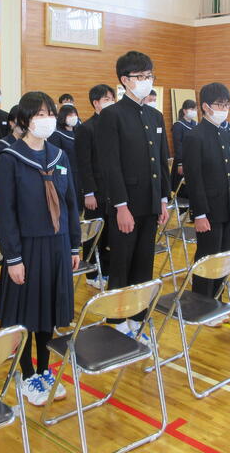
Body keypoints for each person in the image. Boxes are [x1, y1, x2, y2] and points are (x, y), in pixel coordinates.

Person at [0, 91, 81, 407]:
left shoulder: (59, 156)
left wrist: (74, 245)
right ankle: (26, 373)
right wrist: (13, 258)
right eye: (40, 114)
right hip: (26, 248)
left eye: (50, 113)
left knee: (48, 313)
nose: (47, 119)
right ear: (25, 120)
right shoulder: (10, 158)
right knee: (24, 315)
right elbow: (6, 213)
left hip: (57, 244)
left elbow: (70, 203)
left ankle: (44, 369)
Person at [97, 51, 170, 338]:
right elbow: (111, 165)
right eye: (141, 76)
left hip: (151, 203)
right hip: (125, 205)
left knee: (144, 264)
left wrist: (163, 200)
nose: (146, 81)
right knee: (122, 264)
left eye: (149, 75)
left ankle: (138, 316)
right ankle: (117, 320)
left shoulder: (154, 115)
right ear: (125, 80)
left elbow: (160, 162)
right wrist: (121, 206)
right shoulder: (112, 115)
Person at [183, 83, 230, 316]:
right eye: (220, 105)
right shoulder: (195, 136)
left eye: (227, 104)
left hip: (227, 207)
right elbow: (194, 179)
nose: (224, 109)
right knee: (207, 258)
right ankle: (201, 305)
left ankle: (217, 300)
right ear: (206, 107)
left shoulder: (227, 133)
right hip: (208, 210)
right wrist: (199, 214)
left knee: (223, 257)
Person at [75, 85, 115, 290]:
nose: (111, 102)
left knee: (109, 233)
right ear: (96, 103)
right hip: (96, 191)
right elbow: (84, 164)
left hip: (113, 190)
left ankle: (106, 270)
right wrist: (88, 193)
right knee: (94, 234)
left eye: (112, 98)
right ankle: (92, 273)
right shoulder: (86, 128)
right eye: (106, 99)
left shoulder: (115, 124)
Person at [49, 104, 79, 202]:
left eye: (75, 115)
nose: (73, 117)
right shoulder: (56, 135)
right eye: (70, 115)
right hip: (66, 173)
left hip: (79, 172)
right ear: (63, 117)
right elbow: (55, 159)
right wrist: (62, 174)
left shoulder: (78, 132)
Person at [172, 99, 197, 196]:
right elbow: (178, 145)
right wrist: (180, 163)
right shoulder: (178, 125)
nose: (194, 111)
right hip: (182, 161)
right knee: (182, 191)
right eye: (192, 109)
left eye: (195, 109)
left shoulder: (196, 124)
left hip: (193, 160)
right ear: (185, 111)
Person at [0, 105, 21, 174]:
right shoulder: (1, 146)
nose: (24, 123)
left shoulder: (30, 145)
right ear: (11, 123)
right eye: (20, 120)